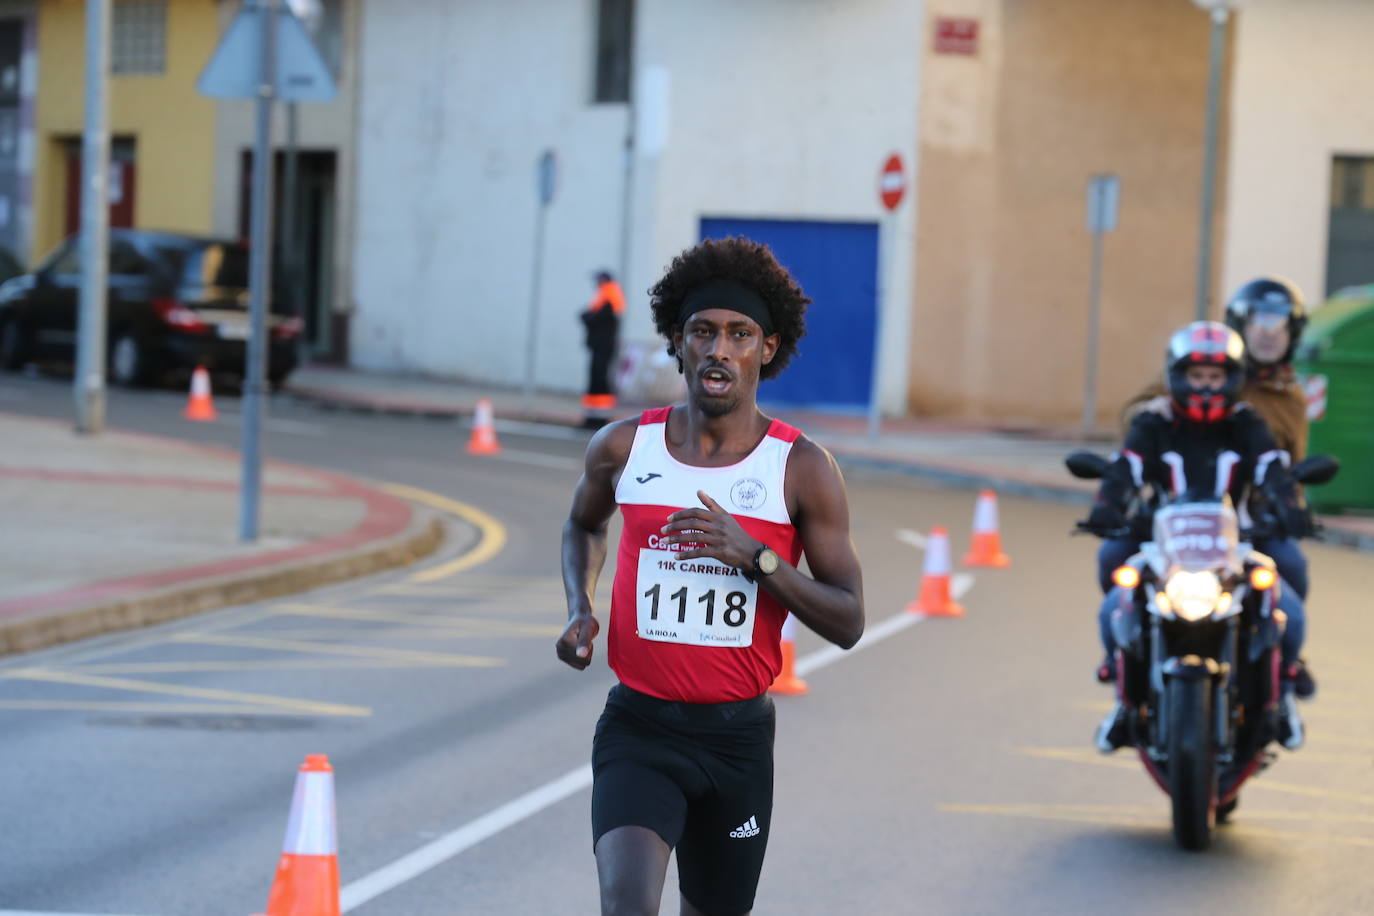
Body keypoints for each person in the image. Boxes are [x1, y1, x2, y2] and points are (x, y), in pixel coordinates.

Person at [557, 237, 865, 916]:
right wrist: (580, 606)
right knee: (626, 905)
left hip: (736, 742)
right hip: (639, 728)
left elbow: (848, 619)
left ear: (767, 348)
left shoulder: (801, 468)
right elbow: (583, 525)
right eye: (702, 331)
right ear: (678, 341)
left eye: (739, 334)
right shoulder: (624, 448)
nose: (719, 349)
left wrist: (756, 557)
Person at [1083, 321, 1313, 752]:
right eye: (1197, 376)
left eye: (1216, 377)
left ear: (1233, 379)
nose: (1206, 386)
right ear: (1177, 376)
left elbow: (1271, 467)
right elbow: (1127, 467)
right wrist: (1106, 509)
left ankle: (1282, 691)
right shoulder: (1154, 421)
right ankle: (1124, 697)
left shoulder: (1247, 422)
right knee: (1113, 589)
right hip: (1162, 542)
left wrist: (1292, 509)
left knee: (1292, 598)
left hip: (1239, 539)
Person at [1110, 277, 1316, 695]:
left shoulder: (1289, 394)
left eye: (1279, 325)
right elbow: (1138, 417)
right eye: (1259, 323)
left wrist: (1287, 504)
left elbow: (1289, 460)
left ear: (1293, 334)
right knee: (1113, 558)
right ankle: (1126, 652)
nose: (1268, 334)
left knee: (1291, 567)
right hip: (1178, 516)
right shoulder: (1206, 367)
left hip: (1248, 516)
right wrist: (1149, 417)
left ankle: (1279, 666)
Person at [581, 270, 626, 428]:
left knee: (599, 381)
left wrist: (587, 317)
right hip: (600, 347)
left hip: (602, 347)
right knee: (596, 380)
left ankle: (598, 419)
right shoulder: (606, 298)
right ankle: (592, 418)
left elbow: (589, 318)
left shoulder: (608, 299)